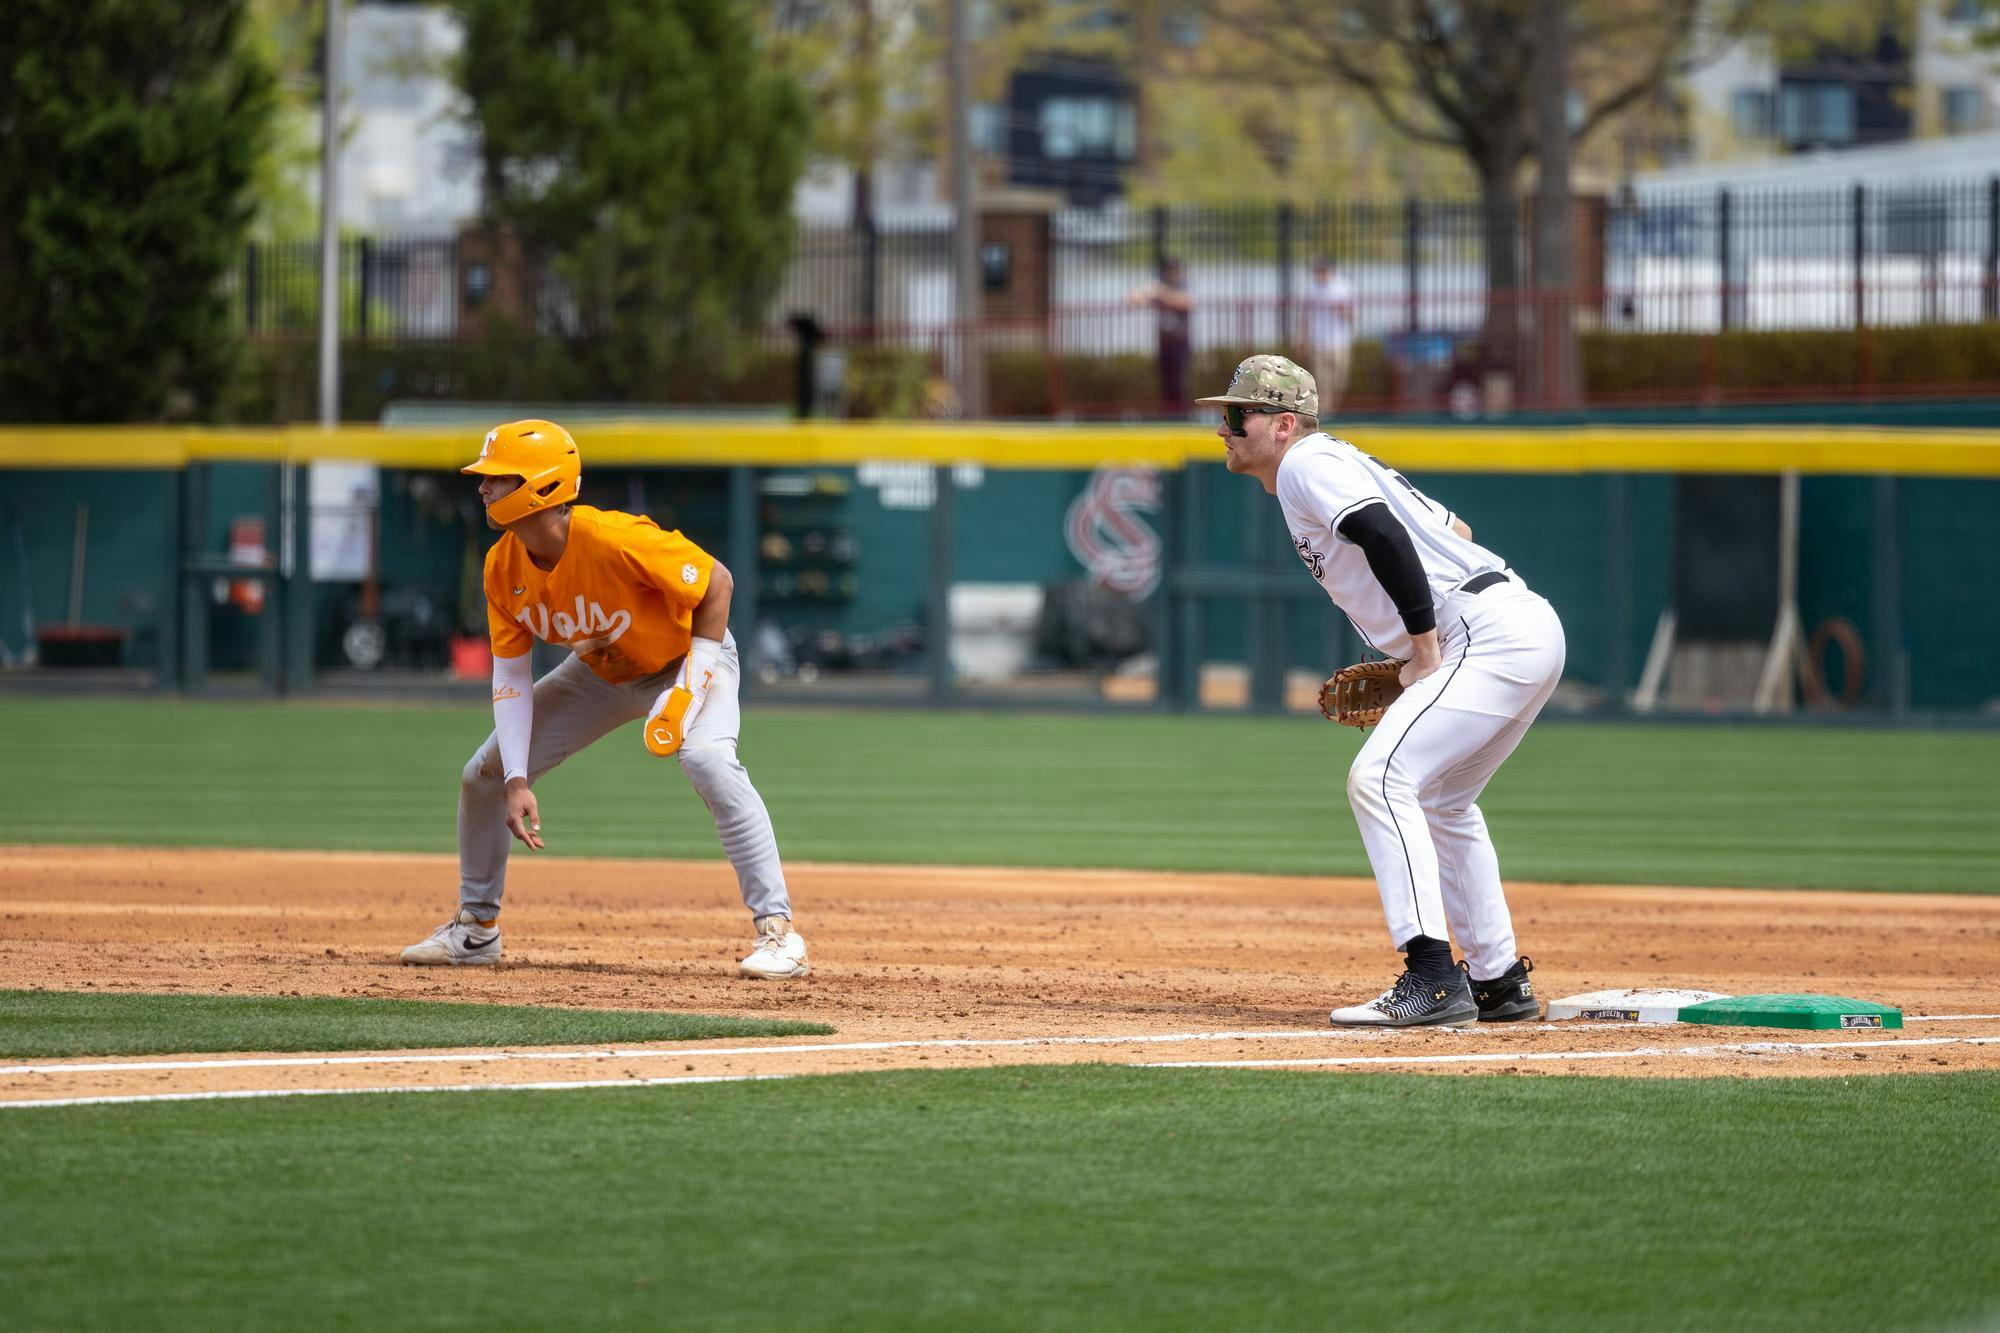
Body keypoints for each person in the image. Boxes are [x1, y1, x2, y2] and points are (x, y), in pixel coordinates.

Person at [1196, 356, 1564, 1027]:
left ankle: (1431, 978)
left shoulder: (1306, 463)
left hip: (1482, 633)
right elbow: (1457, 533)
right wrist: (1422, 658)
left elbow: (1385, 534)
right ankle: (1498, 979)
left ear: (1282, 424)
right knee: (1446, 802)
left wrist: (1424, 652)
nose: (1220, 427)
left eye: (1233, 414)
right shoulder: (1337, 462)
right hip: (1520, 624)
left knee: (1381, 777)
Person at [401, 419, 809, 980]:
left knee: (707, 757)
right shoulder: (502, 566)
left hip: (689, 658)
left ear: (540, 486)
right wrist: (518, 777)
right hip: (598, 674)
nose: (482, 487)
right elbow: (513, 677)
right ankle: (475, 930)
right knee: (485, 775)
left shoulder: (614, 538)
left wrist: (692, 683)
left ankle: (779, 933)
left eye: (496, 477)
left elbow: (717, 582)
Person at [1130, 256, 1194, 412]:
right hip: (1164, 341)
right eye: (1169, 270)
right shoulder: (1160, 289)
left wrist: (1160, 292)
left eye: (1175, 270)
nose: (1172, 273)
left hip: (1180, 340)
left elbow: (1186, 303)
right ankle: (1169, 411)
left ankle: (1180, 412)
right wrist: (1147, 290)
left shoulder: (1182, 286)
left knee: (1179, 380)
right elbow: (1133, 300)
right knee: (1166, 378)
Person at [1302, 256, 1356, 415]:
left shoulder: (1343, 287)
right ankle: (1325, 412)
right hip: (1318, 342)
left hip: (1339, 342)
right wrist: (1303, 338)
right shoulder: (1312, 289)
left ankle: (1333, 408)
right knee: (1322, 381)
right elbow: (1306, 315)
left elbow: (1351, 316)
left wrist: (1340, 309)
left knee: (1340, 380)